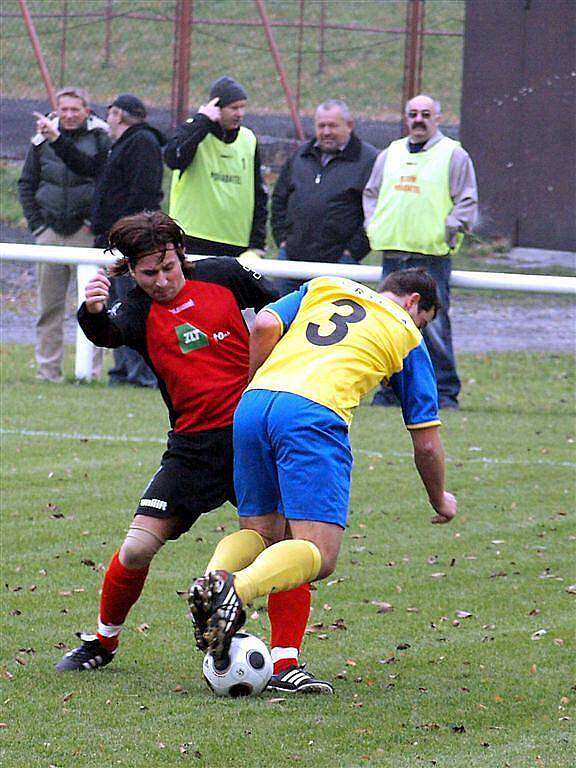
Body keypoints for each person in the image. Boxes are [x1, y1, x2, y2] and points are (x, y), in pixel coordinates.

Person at [55, 211, 330, 693]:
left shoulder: (224, 275)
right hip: (192, 449)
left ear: (181, 256)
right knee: (137, 547)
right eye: (148, 273)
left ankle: (287, 664)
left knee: (281, 543)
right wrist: (92, 311)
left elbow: (284, 305)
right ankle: (103, 641)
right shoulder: (137, 309)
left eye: (169, 268)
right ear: (132, 272)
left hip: (254, 434)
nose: (162, 280)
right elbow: (105, 334)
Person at [188, 268, 457, 685]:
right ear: (414, 304)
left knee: (265, 536)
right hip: (313, 415)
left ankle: (215, 583)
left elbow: (262, 324)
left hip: (255, 405)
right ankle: (235, 592)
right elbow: (426, 443)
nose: (418, 325)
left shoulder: (324, 286)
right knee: (317, 553)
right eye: (424, 319)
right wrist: (440, 498)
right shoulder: (406, 332)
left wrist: (255, 386)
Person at [35, 93, 165, 387]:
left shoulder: (142, 142)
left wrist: (127, 234)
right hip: (116, 242)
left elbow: (142, 194)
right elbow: (86, 165)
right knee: (118, 305)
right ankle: (122, 372)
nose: (107, 118)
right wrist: (56, 139)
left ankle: (140, 375)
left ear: (118, 115)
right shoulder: (120, 145)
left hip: (129, 243)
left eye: (111, 113)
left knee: (132, 306)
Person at [363, 94, 478, 410]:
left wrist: (449, 227)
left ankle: (444, 392)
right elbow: (371, 194)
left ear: (438, 118)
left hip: (431, 256)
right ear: (405, 117)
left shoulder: (454, 155)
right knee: (388, 325)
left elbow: (467, 201)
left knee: (434, 328)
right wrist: (374, 225)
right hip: (394, 254)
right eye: (413, 113)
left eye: (425, 113)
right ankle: (388, 390)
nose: (418, 119)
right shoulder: (390, 154)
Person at [18, 86, 110, 383]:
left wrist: (92, 224)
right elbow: (27, 183)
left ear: (87, 110)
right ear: (57, 110)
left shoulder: (100, 138)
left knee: (94, 306)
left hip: (86, 234)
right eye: (64, 109)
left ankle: (91, 372)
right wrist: (38, 226)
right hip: (49, 234)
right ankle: (48, 371)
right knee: (49, 307)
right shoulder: (40, 139)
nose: (69, 115)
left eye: (75, 109)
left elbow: (104, 183)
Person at [271, 99, 378, 295]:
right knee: (281, 322)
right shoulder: (300, 156)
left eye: (333, 125)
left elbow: (376, 209)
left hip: (339, 265)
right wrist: (283, 241)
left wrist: (353, 251)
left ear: (349, 125)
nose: (326, 132)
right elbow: (279, 199)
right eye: (321, 126)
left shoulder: (369, 161)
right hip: (291, 261)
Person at [165, 75, 267, 259]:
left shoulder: (248, 139)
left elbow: (258, 193)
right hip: (192, 237)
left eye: (242, 107)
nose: (239, 113)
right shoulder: (194, 130)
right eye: (233, 108)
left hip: (235, 241)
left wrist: (258, 242)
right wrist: (202, 121)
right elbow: (173, 157)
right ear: (216, 107)